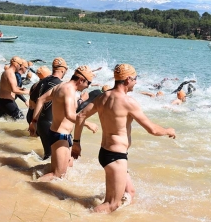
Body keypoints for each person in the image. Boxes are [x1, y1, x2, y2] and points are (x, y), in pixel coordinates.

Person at [73, 63, 176, 213]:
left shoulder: (102, 97)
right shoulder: (128, 102)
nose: (136, 82)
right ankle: (81, 220)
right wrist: (168, 130)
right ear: (128, 79)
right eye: (135, 79)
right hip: (116, 157)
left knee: (130, 193)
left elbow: (80, 115)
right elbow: (152, 129)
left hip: (106, 153)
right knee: (112, 204)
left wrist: (76, 143)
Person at [30, 65, 96, 180]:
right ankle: (29, 187)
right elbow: (70, 115)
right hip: (60, 136)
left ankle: (31, 171)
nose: (87, 87)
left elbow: (41, 99)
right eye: (88, 83)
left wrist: (34, 121)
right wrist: (87, 123)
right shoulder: (68, 90)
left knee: (68, 166)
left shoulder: (61, 86)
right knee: (57, 174)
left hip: (63, 135)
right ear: (81, 80)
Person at [28, 58, 68, 159]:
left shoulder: (41, 82)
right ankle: (38, 172)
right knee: (52, 157)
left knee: (48, 155)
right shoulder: (61, 85)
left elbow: (32, 102)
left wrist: (33, 122)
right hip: (51, 125)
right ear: (63, 70)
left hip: (40, 123)